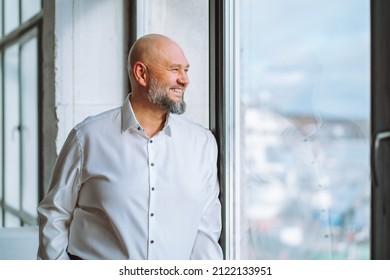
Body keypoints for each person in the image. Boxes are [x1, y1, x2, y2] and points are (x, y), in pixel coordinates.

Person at [37, 34, 223, 260]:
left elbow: (206, 232)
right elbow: (55, 213)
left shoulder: (202, 143)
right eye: (175, 70)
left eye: (186, 70)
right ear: (141, 74)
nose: (185, 80)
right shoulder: (87, 137)